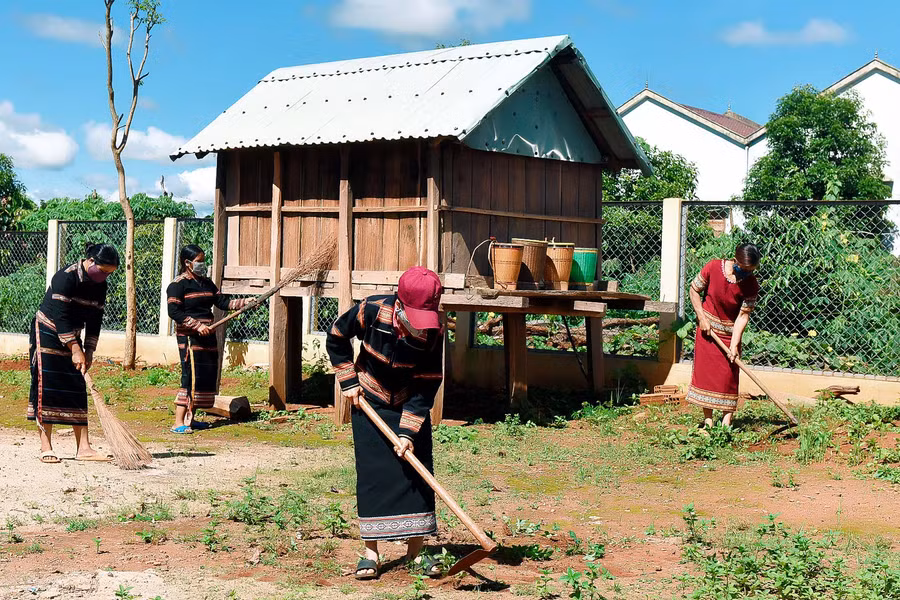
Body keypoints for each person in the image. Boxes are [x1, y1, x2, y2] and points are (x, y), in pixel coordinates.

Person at [326, 266, 445, 580]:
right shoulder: (372, 310)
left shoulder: (436, 330)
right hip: (369, 399)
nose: (422, 330)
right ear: (401, 306)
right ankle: (371, 553)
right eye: (416, 321)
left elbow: (428, 382)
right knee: (373, 474)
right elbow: (337, 337)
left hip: (408, 399)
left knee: (416, 475)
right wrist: (348, 380)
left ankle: (416, 553)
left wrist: (407, 432)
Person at [28, 243, 119, 464]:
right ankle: (45, 445)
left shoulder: (100, 285)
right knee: (47, 386)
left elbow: (95, 319)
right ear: (90, 261)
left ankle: (84, 448)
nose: (105, 276)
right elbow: (61, 317)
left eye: (109, 273)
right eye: (103, 270)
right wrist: (75, 348)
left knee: (77, 387)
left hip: (73, 334)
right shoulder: (65, 278)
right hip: (47, 330)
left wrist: (88, 350)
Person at [166, 245, 247, 434]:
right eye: (199, 261)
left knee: (203, 378)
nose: (202, 264)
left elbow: (223, 303)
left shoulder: (207, 283)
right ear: (187, 263)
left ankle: (190, 420)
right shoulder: (177, 285)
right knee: (189, 377)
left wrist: (245, 302)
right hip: (189, 338)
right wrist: (197, 325)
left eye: (203, 260)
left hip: (208, 337)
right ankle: (178, 422)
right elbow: (174, 311)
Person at [687, 243, 761, 428]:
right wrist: (702, 318)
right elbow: (694, 290)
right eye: (744, 269)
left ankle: (726, 424)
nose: (746, 274)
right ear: (735, 261)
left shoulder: (751, 284)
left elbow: (743, 316)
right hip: (708, 330)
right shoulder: (713, 267)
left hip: (729, 334)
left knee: (728, 376)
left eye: (750, 270)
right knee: (707, 375)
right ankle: (708, 421)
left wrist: (735, 344)